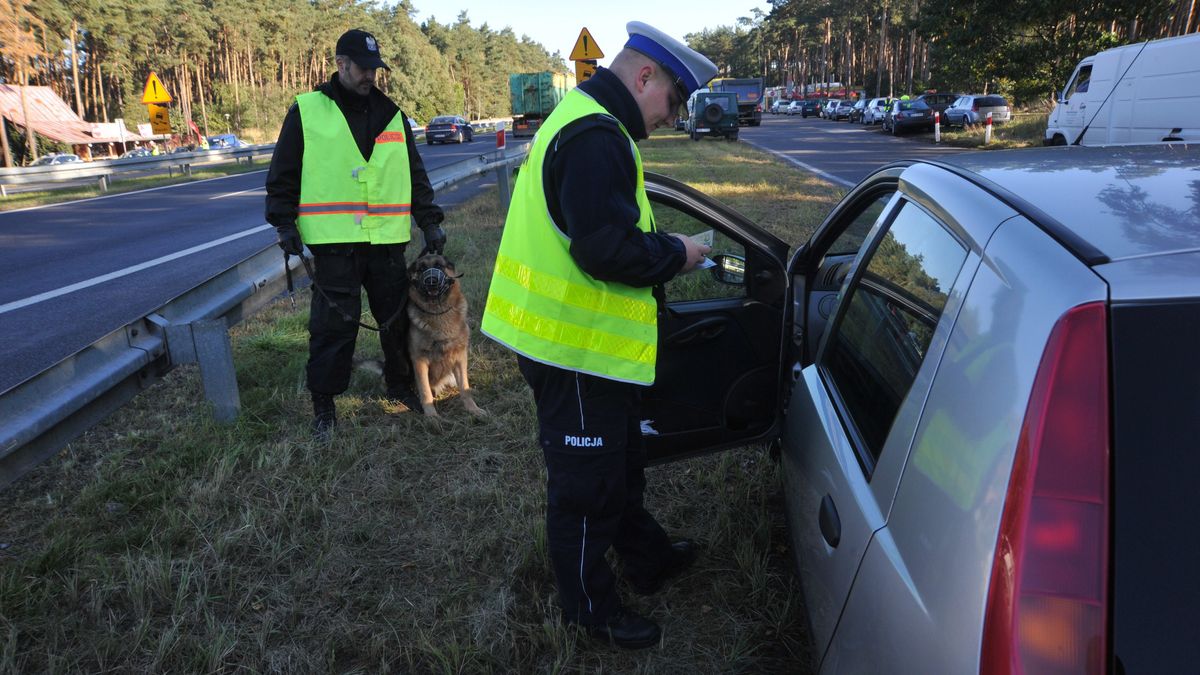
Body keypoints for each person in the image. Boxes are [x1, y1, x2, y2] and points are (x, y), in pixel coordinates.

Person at [480, 21, 716, 649]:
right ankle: (590, 612)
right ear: (645, 77)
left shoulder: (590, 122)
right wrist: (676, 253)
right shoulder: (594, 137)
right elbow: (603, 248)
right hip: (573, 349)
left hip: (587, 346)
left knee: (619, 466)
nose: (672, 117)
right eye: (673, 100)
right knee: (586, 488)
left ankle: (648, 560)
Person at [265, 28, 445, 437]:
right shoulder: (308, 111)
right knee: (333, 329)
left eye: (374, 69)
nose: (370, 76)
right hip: (335, 246)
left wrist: (429, 220)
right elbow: (284, 173)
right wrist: (283, 222)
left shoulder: (393, 114)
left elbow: (414, 175)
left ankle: (402, 387)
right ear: (341, 65)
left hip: (386, 243)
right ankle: (324, 406)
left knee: (397, 321)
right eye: (363, 69)